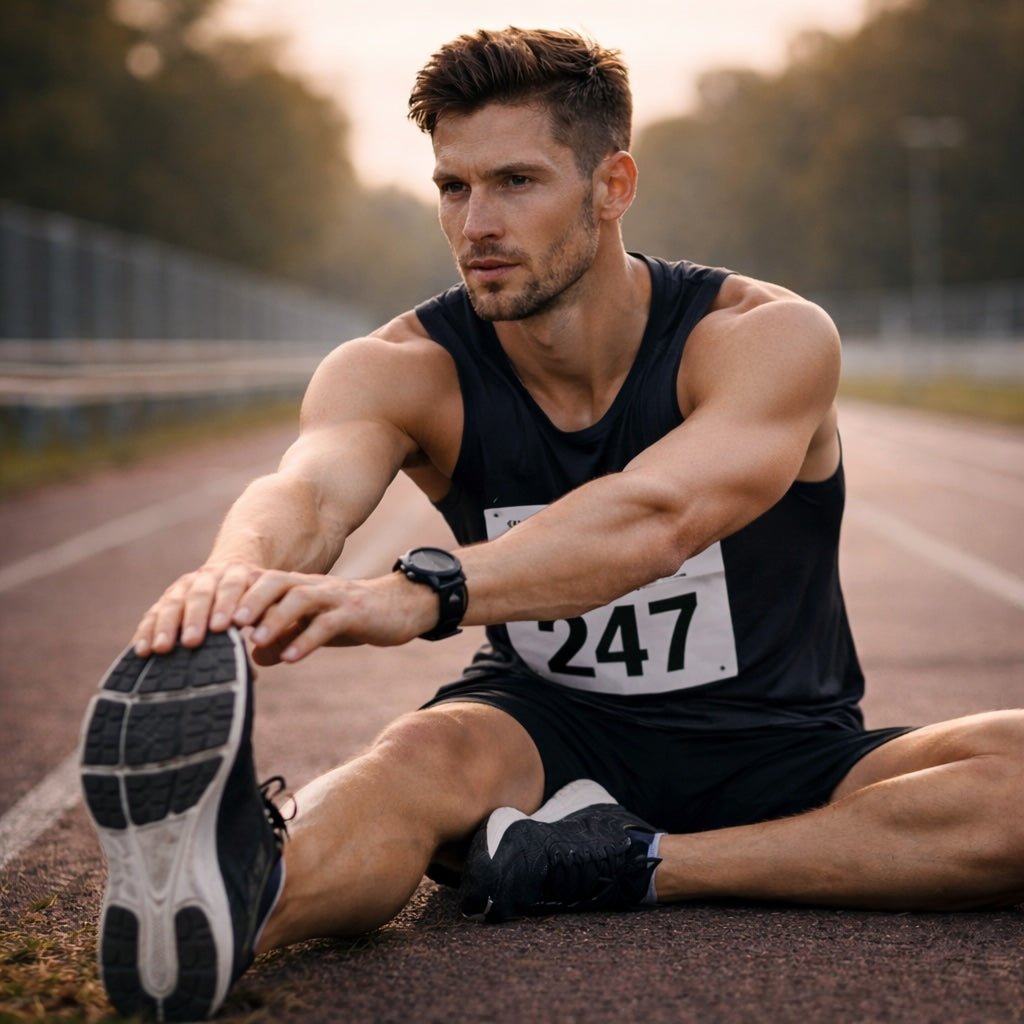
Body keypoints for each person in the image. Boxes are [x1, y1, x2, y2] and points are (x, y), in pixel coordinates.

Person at [79, 26, 1024, 1022]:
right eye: (453, 187)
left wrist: (422, 590)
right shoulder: (402, 366)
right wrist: (232, 573)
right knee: (412, 762)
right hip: (538, 736)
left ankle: (636, 864)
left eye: (517, 181)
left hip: (784, 749)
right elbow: (309, 489)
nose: (476, 220)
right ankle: (235, 901)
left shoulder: (762, 339)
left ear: (611, 186)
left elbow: (657, 515)